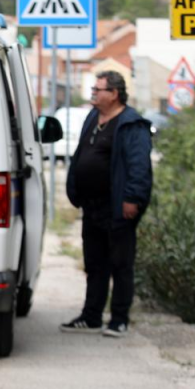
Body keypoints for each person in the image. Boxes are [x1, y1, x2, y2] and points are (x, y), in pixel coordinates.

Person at [61, 71, 153, 338]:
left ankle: (119, 319)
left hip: (118, 207)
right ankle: (91, 316)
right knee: (94, 263)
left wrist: (132, 199)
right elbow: (81, 153)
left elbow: (139, 166)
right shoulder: (93, 117)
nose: (93, 93)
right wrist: (75, 189)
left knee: (120, 264)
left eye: (98, 89)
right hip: (92, 207)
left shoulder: (131, 124)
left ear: (114, 94)